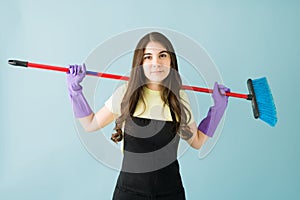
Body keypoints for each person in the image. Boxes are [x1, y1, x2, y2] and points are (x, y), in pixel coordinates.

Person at [66, 32, 230, 200]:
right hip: (129, 193)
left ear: (171, 61)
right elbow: (90, 124)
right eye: (148, 57)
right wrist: (75, 91)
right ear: (140, 62)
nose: (156, 63)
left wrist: (217, 109)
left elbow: (197, 141)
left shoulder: (179, 98)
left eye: (162, 55)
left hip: (171, 193)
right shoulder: (126, 94)